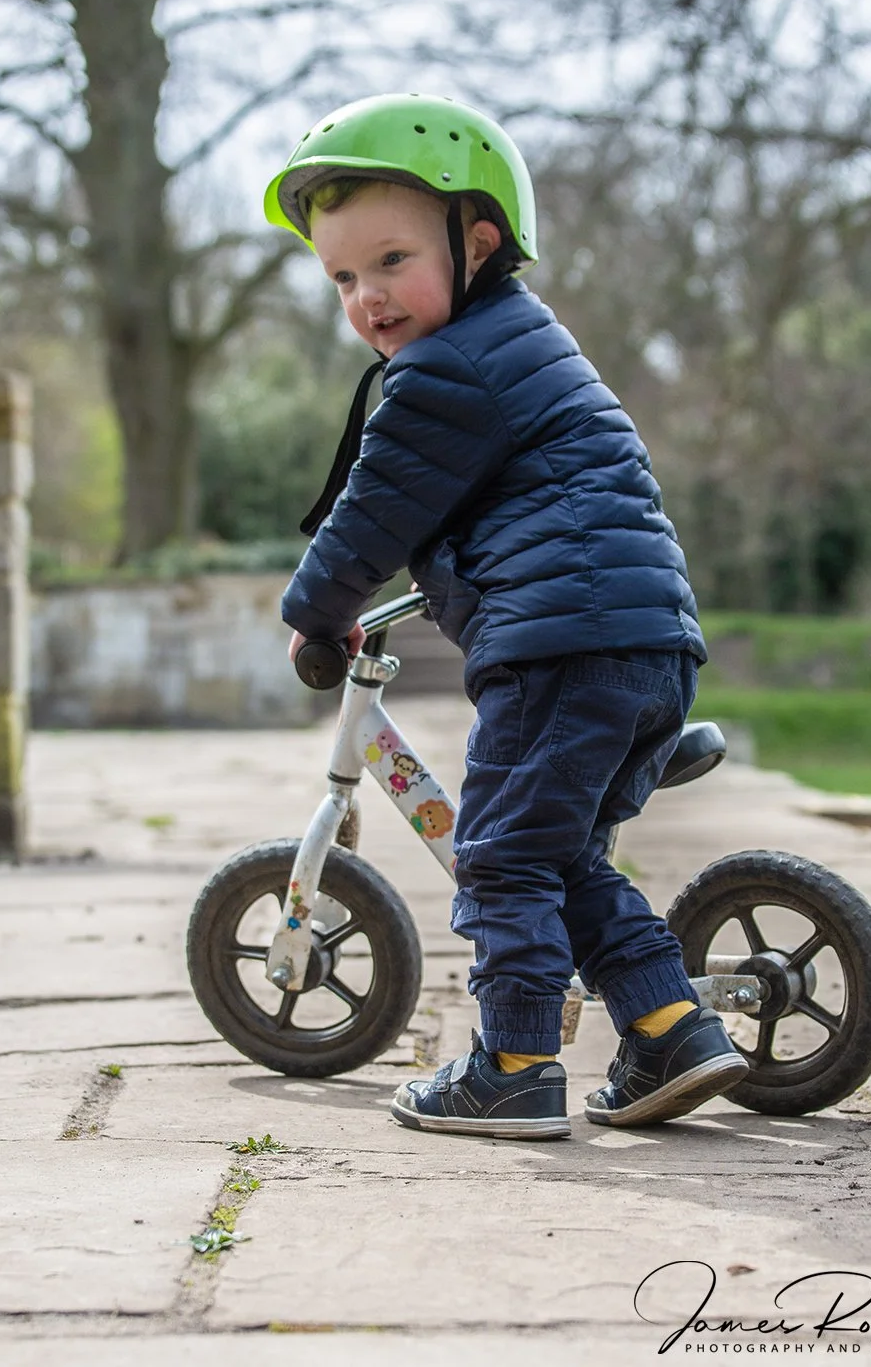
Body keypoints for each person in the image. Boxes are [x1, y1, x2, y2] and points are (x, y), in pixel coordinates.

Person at [265, 93, 748, 1139]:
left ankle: (516, 1063)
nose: (366, 297)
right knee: (561, 854)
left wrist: (315, 614)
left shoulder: (450, 371)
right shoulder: (518, 343)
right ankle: (669, 1028)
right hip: (640, 642)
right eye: (342, 276)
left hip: (564, 651)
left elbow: (372, 514)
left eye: (391, 262)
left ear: (477, 242)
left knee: (498, 854)